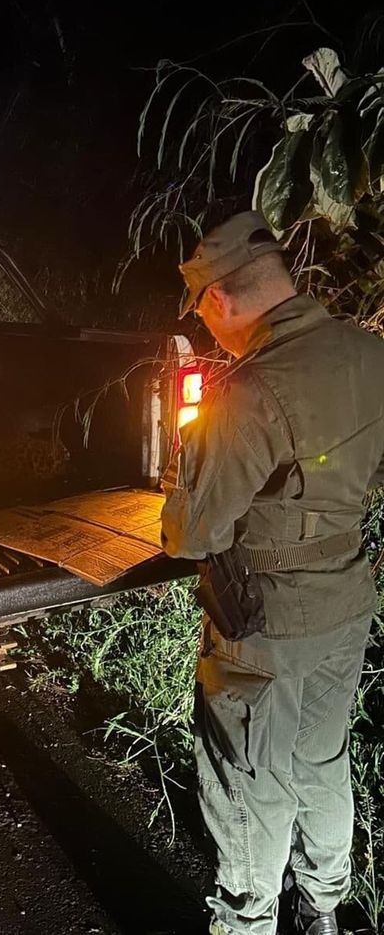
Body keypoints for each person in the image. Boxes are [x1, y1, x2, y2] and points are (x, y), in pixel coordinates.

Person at [160, 211, 384, 935]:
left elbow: (192, 535)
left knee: (249, 779)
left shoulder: (249, 391)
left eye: (202, 314)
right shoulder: (369, 355)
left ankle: (248, 921)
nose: (207, 329)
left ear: (220, 299)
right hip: (346, 600)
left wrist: (186, 470)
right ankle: (324, 906)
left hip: (267, 623)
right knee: (322, 755)